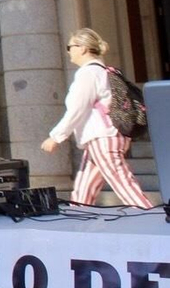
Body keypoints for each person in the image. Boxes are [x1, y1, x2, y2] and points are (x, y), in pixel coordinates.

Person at [43, 29, 151, 207]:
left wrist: (56, 137)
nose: (69, 51)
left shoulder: (88, 74)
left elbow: (78, 108)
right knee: (82, 193)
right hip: (105, 138)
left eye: (70, 47)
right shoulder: (104, 71)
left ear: (83, 48)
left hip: (102, 138)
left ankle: (153, 219)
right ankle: (77, 225)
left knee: (125, 187)